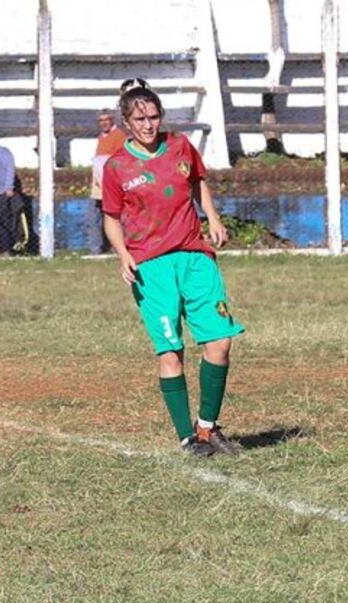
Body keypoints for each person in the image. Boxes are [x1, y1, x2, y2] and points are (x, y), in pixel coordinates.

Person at [101, 79, 244, 457]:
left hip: (195, 256)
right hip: (151, 266)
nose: (148, 124)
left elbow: (198, 182)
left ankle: (208, 428)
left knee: (220, 342)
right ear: (126, 123)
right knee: (171, 352)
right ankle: (187, 437)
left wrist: (212, 217)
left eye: (153, 116)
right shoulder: (117, 166)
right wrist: (122, 253)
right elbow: (110, 218)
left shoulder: (180, 145)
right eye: (140, 118)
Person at [88, 109, 128, 254]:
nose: (104, 123)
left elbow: (119, 160)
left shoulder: (119, 136)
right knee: (93, 216)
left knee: (116, 215)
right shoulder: (102, 137)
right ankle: (96, 248)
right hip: (98, 180)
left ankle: (120, 247)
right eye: (101, 120)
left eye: (106, 119)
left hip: (111, 180)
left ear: (112, 120)